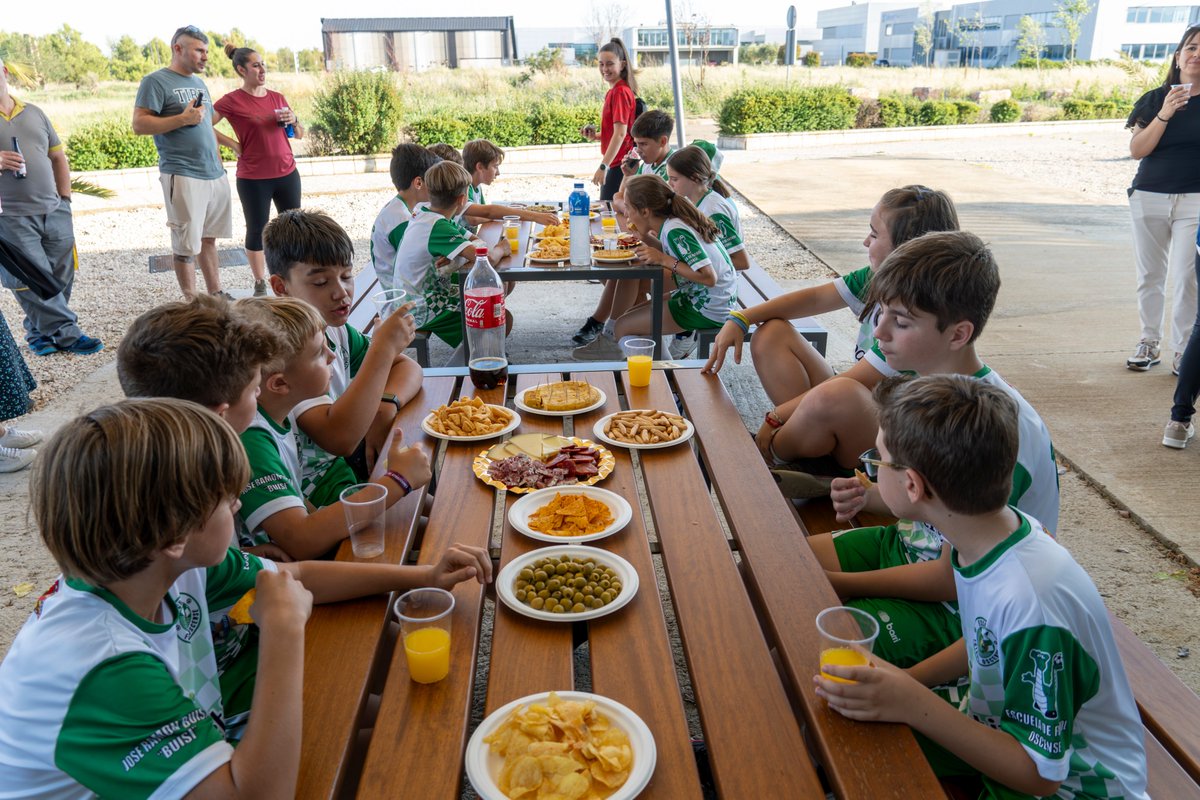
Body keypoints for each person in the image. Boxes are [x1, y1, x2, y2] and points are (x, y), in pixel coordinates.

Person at [0, 398, 491, 797]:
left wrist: (424, 575)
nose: (238, 506)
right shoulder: (104, 666)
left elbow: (298, 575)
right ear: (175, 534)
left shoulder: (157, 565)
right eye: (226, 499)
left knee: (397, 738)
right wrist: (283, 633)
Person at [815, 374, 1147, 800]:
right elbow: (985, 640)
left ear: (913, 485)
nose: (871, 471)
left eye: (877, 461)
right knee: (842, 724)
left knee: (861, 750)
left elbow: (1040, 774)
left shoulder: (1029, 601)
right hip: (999, 719)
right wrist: (908, 681)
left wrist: (911, 701)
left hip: (1075, 787)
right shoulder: (987, 535)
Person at [810, 231, 1059, 694]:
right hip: (908, 544)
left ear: (959, 333)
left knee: (809, 635)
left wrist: (839, 583)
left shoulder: (993, 427)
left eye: (901, 321)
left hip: (960, 605)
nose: (879, 333)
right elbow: (929, 503)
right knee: (774, 568)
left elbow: (953, 575)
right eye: (881, 313)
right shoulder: (928, 384)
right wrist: (870, 495)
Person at [704, 186, 959, 494]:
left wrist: (774, 419)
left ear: (906, 248)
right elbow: (814, 298)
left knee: (839, 393)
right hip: (860, 413)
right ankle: (806, 457)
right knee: (771, 333)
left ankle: (767, 457)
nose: (865, 241)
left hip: (890, 446)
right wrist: (741, 318)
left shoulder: (918, 315)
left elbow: (855, 380)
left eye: (874, 234)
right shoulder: (880, 278)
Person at [233, 296, 428, 559]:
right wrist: (397, 482)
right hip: (272, 571)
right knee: (427, 531)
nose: (331, 355)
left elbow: (300, 505)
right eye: (319, 353)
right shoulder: (251, 438)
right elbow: (301, 540)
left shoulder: (278, 413)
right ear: (279, 384)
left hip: (290, 558)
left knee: (426, 521)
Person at [263, 210, 423, 507]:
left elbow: (408, 367)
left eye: (347, 276)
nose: (341, 292)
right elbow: (340, 438)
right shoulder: (285, 348)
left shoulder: (334, 329)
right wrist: (382, 349)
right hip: (316, 489)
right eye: (321, 282)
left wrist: (385, 406)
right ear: (280, 287)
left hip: (347, 467)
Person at [0, 56, 103, 357]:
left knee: (61, 275)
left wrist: (65, 201)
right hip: (10, 217)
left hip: (54, 210)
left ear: (4, 71)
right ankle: (70, 334)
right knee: (31, 277)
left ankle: (39, 333)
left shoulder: (35, 112)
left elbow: (58, 157)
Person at [574, 175, 737, 360]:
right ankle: (661, 366)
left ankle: (659, 369)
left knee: (623, 327)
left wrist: (663, 259)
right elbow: (674, 252)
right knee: (627, 315)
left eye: (628, 208)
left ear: (645, 212)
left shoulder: (675, 230)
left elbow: (709, 277)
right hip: (707, 297)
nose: (626, 215)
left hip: (708, 306)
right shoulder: (672, 223)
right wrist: (645, 238)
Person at [133, 25, 236, 300]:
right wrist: (182, 119)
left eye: (206, 51)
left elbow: (206, 127)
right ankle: (192, 303)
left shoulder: (199, 83)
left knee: (209, 238)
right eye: (199, 50)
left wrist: (223, 159)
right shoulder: (155, 81)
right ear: (178, 49)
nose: (205, 56)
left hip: (214, 173)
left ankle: (216, 295)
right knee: (185, 245)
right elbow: (139, 124)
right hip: (183, 173)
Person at [1124, 24, 1200, 374]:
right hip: (1149, 196)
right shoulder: (1156, 98)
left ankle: (1183, 350)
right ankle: (1149, 341)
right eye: (1192, 47)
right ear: (1178, 56)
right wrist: (1166, 111)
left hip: (1195, 201)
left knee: (1188, 277)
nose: (1197, 55)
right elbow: (1137, 150)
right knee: (1150, 274)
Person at [213, 44, 304, 298]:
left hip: (287, 172)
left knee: (293, 226)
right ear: (241, 70)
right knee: (257, 229)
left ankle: (291, 278)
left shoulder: (277, 97)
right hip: (253, 178)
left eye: (263, 64)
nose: (262, 69)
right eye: (256, 65)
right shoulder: (232, 100)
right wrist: (232, 144)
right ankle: (260, 283)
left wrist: (295, 120)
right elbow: (202, 124)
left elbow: (298, 134)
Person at [391, 161, 510, 349]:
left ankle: (478, 349)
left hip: (416, 295)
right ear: (462, 199)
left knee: (491, 288)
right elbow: (485, 258)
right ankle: (474, 358)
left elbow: (476, 241)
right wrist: (502, 248)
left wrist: (458, 256)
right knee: (498, 314)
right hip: (421, 306)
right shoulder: (437, 226)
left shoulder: (425, 211)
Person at [666, 144, 751, 271]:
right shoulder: (694, 200)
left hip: (722, 280)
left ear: (695, 178)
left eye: (674, 179)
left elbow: (741, 262)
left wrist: (695, 266)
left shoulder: (713, 210)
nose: (669, 183)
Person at [581, 38, 637, 203]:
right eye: (601, 64)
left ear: (623, 64)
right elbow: (616, 132)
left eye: (610, 64)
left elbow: (620, 134)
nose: (605, 69)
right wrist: (596, 136)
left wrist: (603, 166)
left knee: (610, 211)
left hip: (619, 166)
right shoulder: (614, 91)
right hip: (617, 163)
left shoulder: (620, 92)